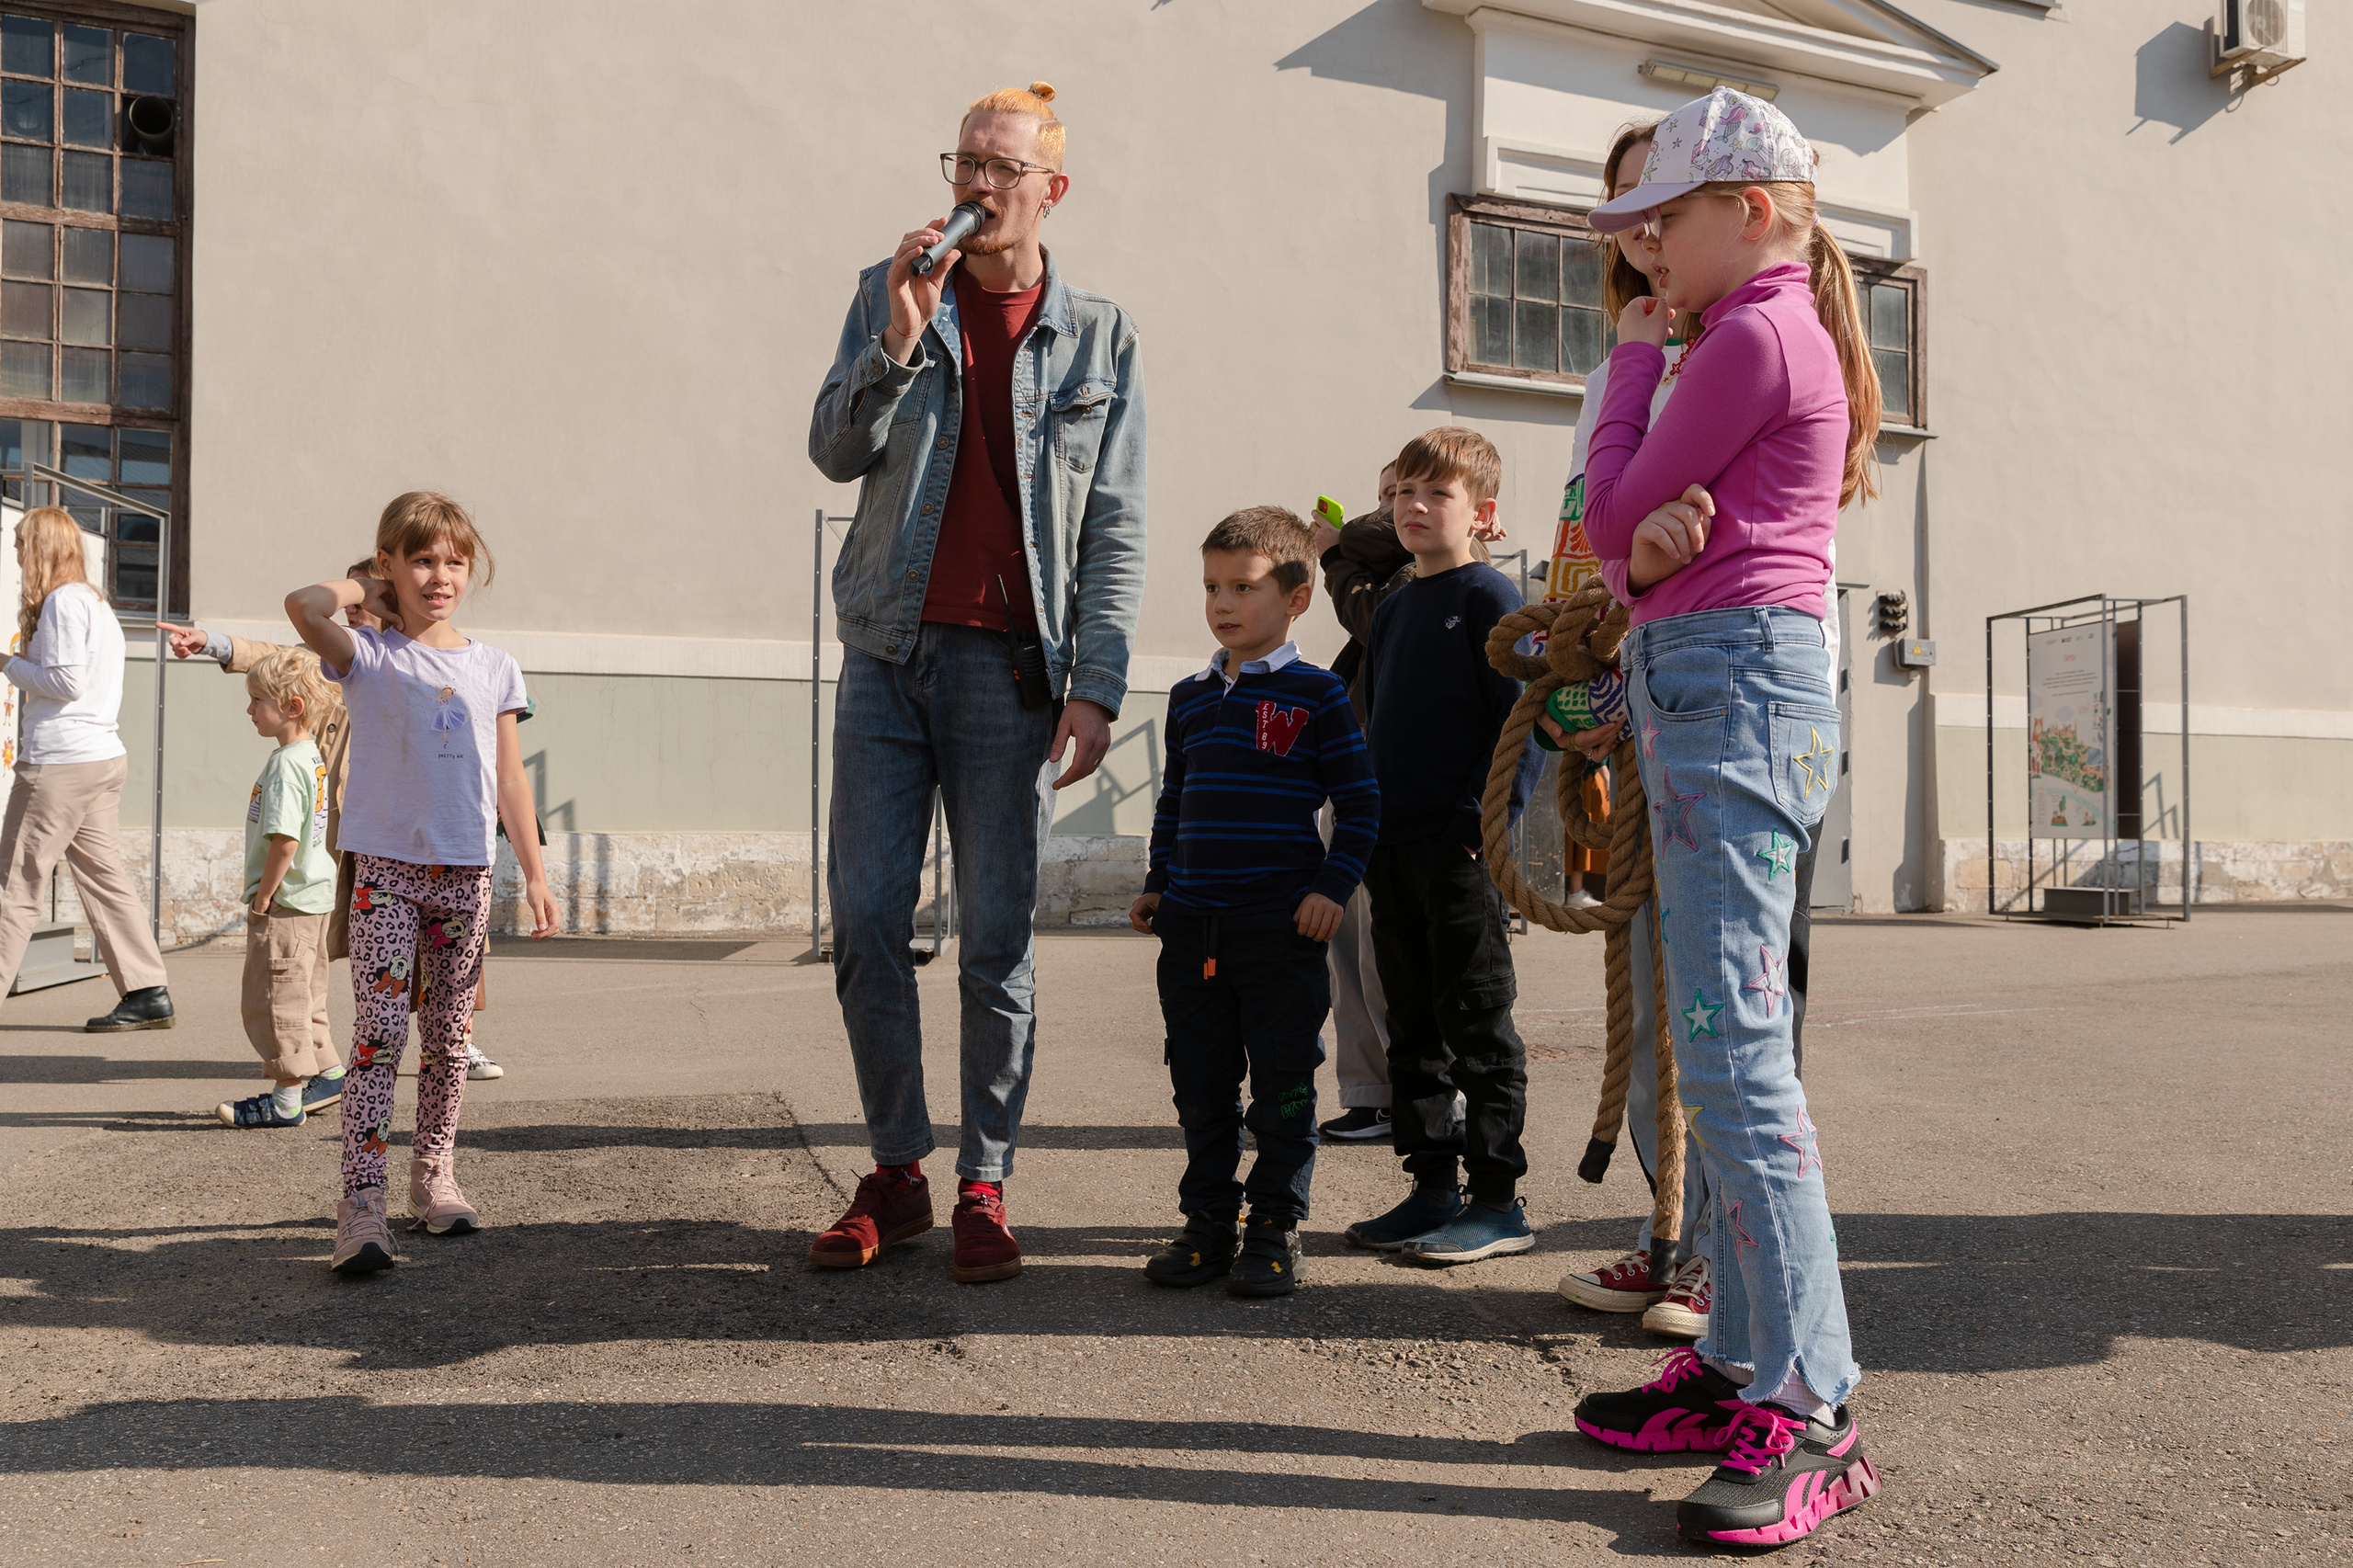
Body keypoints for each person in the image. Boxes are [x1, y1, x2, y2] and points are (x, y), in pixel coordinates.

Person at [1565, 88, 1881, 1547]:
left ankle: (1815, 1406)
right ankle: (1745, 1361)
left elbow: (1610, 506)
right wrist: (1638, 564)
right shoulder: (1754, 330)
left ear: (1749, 211)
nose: (1645, 261)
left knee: (1740, 1061)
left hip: (1732, 689)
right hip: (1720, 679)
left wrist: (1631, 379)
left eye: (1664, 225)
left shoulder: (1747, 333)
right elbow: (1627, 542)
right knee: (1722, 1043)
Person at [805, 81, 1144, 1285]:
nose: (977, 187)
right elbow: (834, 448)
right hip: (888, 658)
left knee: (999, 942)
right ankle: (897, 1170)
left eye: (1003, 169)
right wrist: (899, 342)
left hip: (1011, 677)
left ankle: (983, 1181)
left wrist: (1095, 684)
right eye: (965, 164)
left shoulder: (1099, 335)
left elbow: (1114, 522)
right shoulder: (892, 296)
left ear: (1052, 189)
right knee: (866, 924)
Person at [285, 492, 556, 1276]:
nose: (440, 575)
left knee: (448, 1039)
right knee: (379, 1036)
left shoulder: (495, 666)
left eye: (454, 561)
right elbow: (300, 606)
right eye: (422, 560)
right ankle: (361, 1202)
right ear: (391, 566)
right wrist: (359, 592)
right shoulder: (368, 655)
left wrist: (533, 871)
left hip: (466, 874)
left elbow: (510, 778)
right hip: (386, 875)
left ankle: (433, 1174)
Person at [1129, 507, 1377, 1297]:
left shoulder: (1319, 696)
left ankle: (1273, 1226)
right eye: (1212, 587)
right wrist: (1158, 881)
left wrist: (1330, 889)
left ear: (1297, 597)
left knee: (1283, 1086)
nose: (1223, 603)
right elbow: (1175, 800)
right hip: (1191, 926)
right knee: (1200, 1086)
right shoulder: (1190, 698)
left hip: (1279, 930)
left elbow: (1362, 805)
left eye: (1244, 586)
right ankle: (1207, 1223)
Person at [166, 560, 507, 1082]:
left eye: (365, 599)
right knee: (329, 947)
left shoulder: (434, 661)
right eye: (350, 601)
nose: (353, 610)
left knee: (444, 951)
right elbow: (276, 656)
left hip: (426, 833)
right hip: (351, 832)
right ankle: (327, 1059)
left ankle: (455, 1040)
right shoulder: (339, 658)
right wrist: (210, 641)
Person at [1341, 427, 1537, 1265]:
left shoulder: (1494, 601)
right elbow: (1372, 724)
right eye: (1402, 495)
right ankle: (1429, 1185)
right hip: (1389, 846)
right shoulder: (1392, 607)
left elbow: (1518, 730)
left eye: (1436, 495)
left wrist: (1477, 830)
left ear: (1482, 514)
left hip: (1459, 851)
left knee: (1477, 1023)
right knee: (1412, 1027)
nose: (1413, 508)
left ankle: (1497, 1200)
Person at [0, 506, 173, 1030]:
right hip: (99, 757)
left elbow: (66, 682)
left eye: (20, 545)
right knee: (105, 878)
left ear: (40, 550)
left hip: (59, 763)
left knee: (14, 883)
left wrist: (7, 663)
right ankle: (147, 991)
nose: (16, 555)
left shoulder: (60, 603)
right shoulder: (97, 604)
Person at [215, 647, 346, 1129]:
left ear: (292, 706)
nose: (249, 710)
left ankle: (287, 1098)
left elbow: (286, 841)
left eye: (256, 701)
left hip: (288, 901)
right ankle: (328, 1071)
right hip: (311, 897)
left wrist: (265, 894)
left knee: (275, 998)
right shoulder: (308, 755)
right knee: (306, 992)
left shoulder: (286, 765)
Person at [1313, 463, 1402, 1142]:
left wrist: (1338, 546)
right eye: (1386, 498)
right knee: (1348, 948)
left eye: (1404, 493)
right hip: (1355, 781)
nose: (1395, 511)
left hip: (1396, 790)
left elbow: (1374, 619)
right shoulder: (1387, 566)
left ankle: (1412, 1095)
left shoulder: (1424, 578)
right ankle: (1369, 1093)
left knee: (1385, 952)